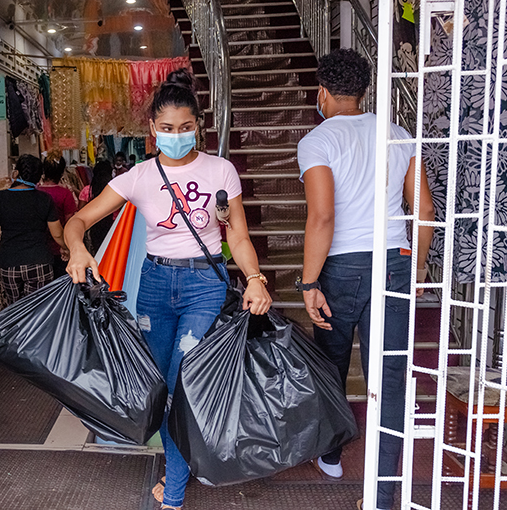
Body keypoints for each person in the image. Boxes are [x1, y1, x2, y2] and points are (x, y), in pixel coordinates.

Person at [65, 68, 272, 510]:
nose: (176, 136)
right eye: (166, 129)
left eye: (185, 127)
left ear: (198, 125)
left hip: (204, 284)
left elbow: (237, 235)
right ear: (152, 130)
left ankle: (173, 493)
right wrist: (78, 249)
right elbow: (78, 220)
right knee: (158, 384)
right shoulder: (138, 176)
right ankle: (178, 463)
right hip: (155, 286)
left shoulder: (221, 170)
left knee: (182, 386)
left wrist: (254, 277)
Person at [296, 49, 434, 510]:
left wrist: (308, 283)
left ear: (323, 90)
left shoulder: (318, 140)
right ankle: (382, 493)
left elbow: (322, 216)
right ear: (364, 90)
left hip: (342, 265)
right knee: (390, 375)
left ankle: (331, 456)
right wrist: (416, 271)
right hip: (395, 258)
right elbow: (426, 211)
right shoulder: (398, 135)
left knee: (332, 364)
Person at [0, 154, 67, 306]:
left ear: (16, 173)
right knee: (38, 311)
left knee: (15, 310)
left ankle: (17, 330)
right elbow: (57, 233)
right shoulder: (44, 199)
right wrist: (66, 249)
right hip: (39, 263)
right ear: (39, 177)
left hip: (9, 264)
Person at [38, 157, 78, 278]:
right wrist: (67, 247)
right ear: (62, 172)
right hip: (59, 248)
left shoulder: (36, 191)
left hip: (38, 247)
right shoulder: (65, 194)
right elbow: (69, 222)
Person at [78, 160, 115, 252]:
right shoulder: (115, 191)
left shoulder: (87, 191)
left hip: (93, 228)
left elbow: (80, 211)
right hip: (114, 227)